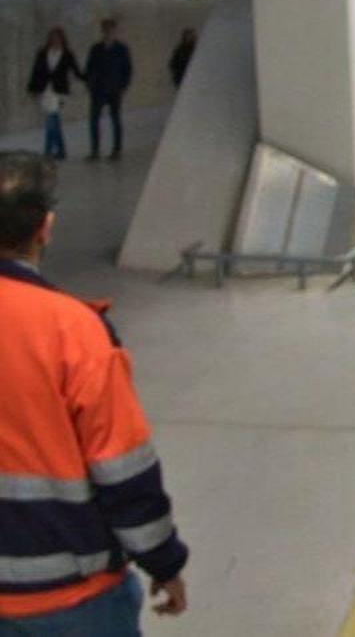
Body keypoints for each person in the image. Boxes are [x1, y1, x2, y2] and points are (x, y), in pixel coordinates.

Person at [0, 151, 189, 634]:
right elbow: (123, 470)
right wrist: (163, 562)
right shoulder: (73, 331)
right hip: (69, 599)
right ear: (45, 226)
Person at [25, 28, 84, 161]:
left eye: (57, 37)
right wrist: (32, 88)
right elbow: (36, 71)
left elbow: (76, 71)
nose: (55, 40)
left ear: (62, 39)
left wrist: (87, 79)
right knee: (54, 120)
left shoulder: (67, 54)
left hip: (59, 91)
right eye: (52, 37)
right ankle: (61, 150)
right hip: (46, 90)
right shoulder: (43, 53)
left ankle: (48, 150)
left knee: (51, 120)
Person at [83, 18, 133, 161]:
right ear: (102, 31)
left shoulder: (122, 49)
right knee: (94, 120)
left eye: (111, 30)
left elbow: (127, 69)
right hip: (98, 89)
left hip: (115, 90)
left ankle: (116, 150)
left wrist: (123, 86)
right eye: (105, 30)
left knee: (116, 120)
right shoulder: (96, 49)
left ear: (114, 31)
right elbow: (89, 67)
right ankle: (95, 150)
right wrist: (89, 84)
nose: (108, 32)